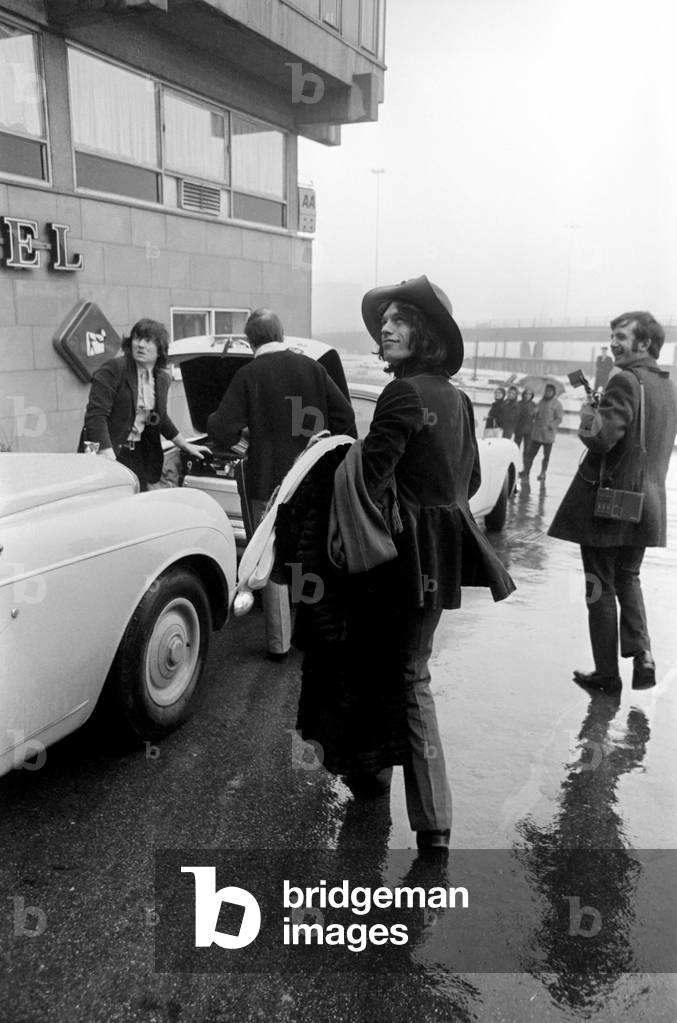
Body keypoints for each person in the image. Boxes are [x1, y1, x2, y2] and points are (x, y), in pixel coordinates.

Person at [355, 276, 515, 849]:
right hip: (438, 554)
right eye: (385, 321)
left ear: (424, 334)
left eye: (400, 320)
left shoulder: (402, 395)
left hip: (398, 557)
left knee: (404, 674)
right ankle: (376, 780)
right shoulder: (458, 397)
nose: (386, 329)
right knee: (404, 666)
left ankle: (432, 820)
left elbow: (371, 481)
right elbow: (469, 481)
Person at [207, 308, 356, 659]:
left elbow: (220, 428)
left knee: (271, 556)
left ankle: (280, 644)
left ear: (249, 340)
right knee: (308, 552)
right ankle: (317, 632)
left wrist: (246, 440)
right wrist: (322, 445)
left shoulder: (248, 374)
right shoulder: (313, 369)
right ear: (281, 334)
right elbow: (345, 417)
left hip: (268, 483)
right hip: (312, 476)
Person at [548, 311, 677, 693]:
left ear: (644, 344)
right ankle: (643, 654)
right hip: (647, 503)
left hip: (611, 504)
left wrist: (591, 410)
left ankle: (607, 674)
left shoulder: (624, 380)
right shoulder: (667, 385)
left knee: (599, 586)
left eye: (621, 336)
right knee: (628, 577)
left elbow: (600, 439)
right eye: (612, 335)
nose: (613, 343)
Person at [80, 318, 208, 491]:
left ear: (160, 349)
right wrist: (108, 457)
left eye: (148, 341)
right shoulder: (113, 369)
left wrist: (184, 445)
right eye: (137, 338)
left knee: (137, 505)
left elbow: (160, 418)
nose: (140, 345)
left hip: (140, 454)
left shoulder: (162, 378)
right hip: (110, 452)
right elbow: (96, 417)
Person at [519, 383, 563, 481]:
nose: (547, 393)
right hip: (537, 434)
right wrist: (534, 413)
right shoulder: (541, 402)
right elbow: (534, 415)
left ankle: (543, 473)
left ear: (553, 393)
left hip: (548, 435)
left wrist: (551, 425)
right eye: (546, 391)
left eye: (550, 391)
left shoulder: (557, 404)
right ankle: (526, 471)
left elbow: (559, 418)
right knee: (530, 455)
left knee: (546, 456)